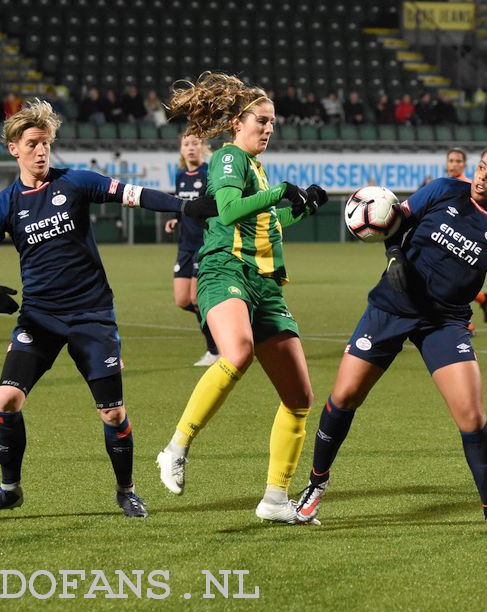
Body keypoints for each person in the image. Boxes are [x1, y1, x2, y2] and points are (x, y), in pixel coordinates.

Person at [0, 99, 215, 518]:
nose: (41, 151)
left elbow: (132, 194)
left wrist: (184, 206)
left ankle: (126, 490)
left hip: (91, 315)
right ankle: (9, 488)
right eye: (32, 144)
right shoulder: (4, 204)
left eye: (46, 143)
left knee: (114, 413)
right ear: (14, 148)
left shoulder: (76, 182)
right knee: (7, 400)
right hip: (39, 317)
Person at [294, 144, 487, 535]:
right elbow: (393, 221)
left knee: (472, 416)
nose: (482, 176)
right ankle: (316, 484)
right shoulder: (445, 189)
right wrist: (395, 257)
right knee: (344, 396)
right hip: (392, 306)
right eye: (482, 167)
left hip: (445, 321)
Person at [156, 71, 328, 523]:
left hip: (266, 283)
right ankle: (176, 447)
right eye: (262, 120)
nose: (268, 128)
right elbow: (230, 211)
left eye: (273, 123)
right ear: (237, 121)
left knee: (299, 397)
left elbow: (265, 224)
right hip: (223, 270)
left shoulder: (255, 166)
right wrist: (278, 192)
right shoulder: (229, 157)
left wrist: (300, 206)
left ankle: (275, 499)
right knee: (238, 352)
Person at [164, 133, 219, 366]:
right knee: (182, 300)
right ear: (181, 149)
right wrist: (175, 218)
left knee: (197, 298)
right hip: (185, 245)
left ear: (203, 147)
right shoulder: (180, 175)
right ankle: (225, 323)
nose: (190, 148)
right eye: (186, 144)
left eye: (195, 144)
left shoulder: (209, 174)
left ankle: (216, 349)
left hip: (204, 243)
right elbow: (181, 203)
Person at [446, 147, 487, 329]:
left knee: (454, 282)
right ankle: (483, 299)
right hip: (443, 239)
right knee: (452, 282)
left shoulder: (469, 187)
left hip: (464, 241)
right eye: (451, 160)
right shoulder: (443, 184)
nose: (454, 164)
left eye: (458, 161)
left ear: (465, 165)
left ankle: (467, 324)